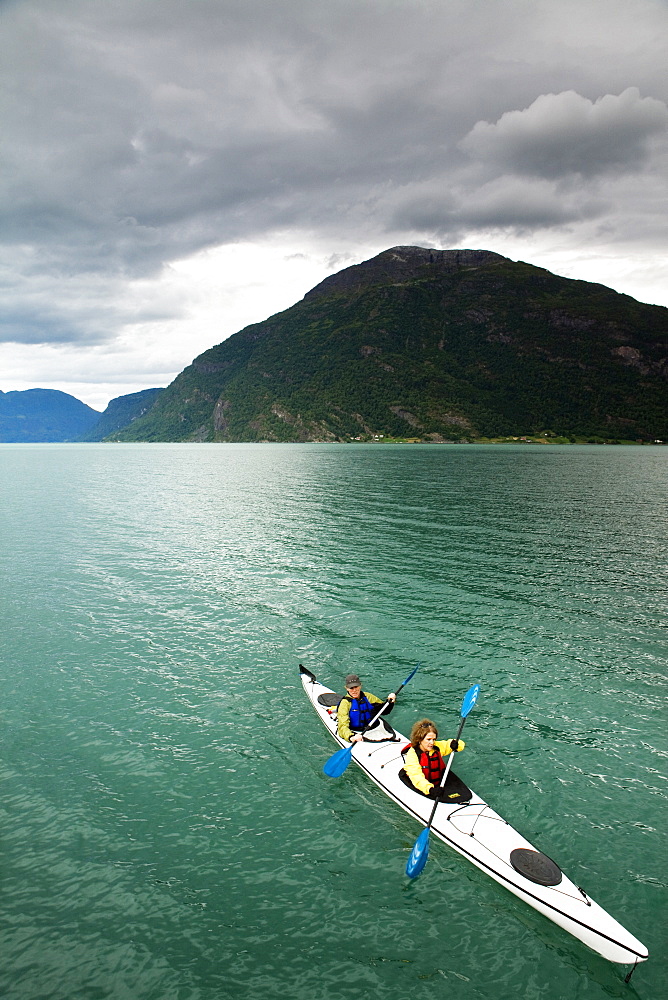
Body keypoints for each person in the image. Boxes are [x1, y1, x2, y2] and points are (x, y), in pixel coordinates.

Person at [399, 718, 465, 798]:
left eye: (434, 739)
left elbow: (455, 744)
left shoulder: (436, 747)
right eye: (428, 739)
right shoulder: (413, 755)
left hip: (437, 783)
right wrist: (430, 789)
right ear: (420, 739)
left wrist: (456, 744)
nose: (432, 743)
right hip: (424, 787)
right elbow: (416, 776)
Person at [336, 673, 396, 743]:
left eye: (356, 687)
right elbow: (342, 726)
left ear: (360, 686)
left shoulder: (368, 697)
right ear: (346, 688)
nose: (354, 690)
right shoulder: (344, 704)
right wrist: (351, 737)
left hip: (375, 728)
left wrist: (390, 702)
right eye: (351, 688)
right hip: (356, 733)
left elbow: (385, 711)